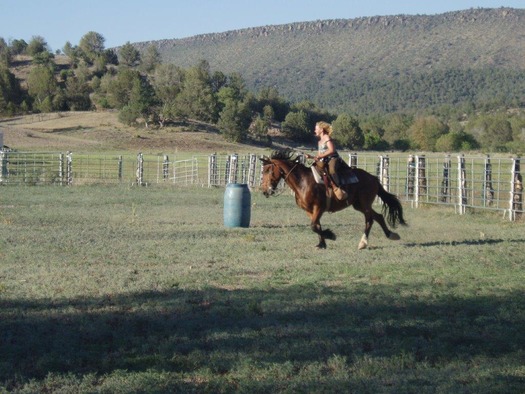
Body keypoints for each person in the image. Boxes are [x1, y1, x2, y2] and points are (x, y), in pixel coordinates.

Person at [306, 121, 348, 200]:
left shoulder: (327, 137)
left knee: (332, 170)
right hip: (324, 159)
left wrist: (320, 156)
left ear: (321, 130)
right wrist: (311, 157)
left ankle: (338, 188)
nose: (315, 131)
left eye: (316, 129)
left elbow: (332, 150)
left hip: (333, 158)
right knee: (315, 167)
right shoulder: (319, 142)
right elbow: (319, 156)